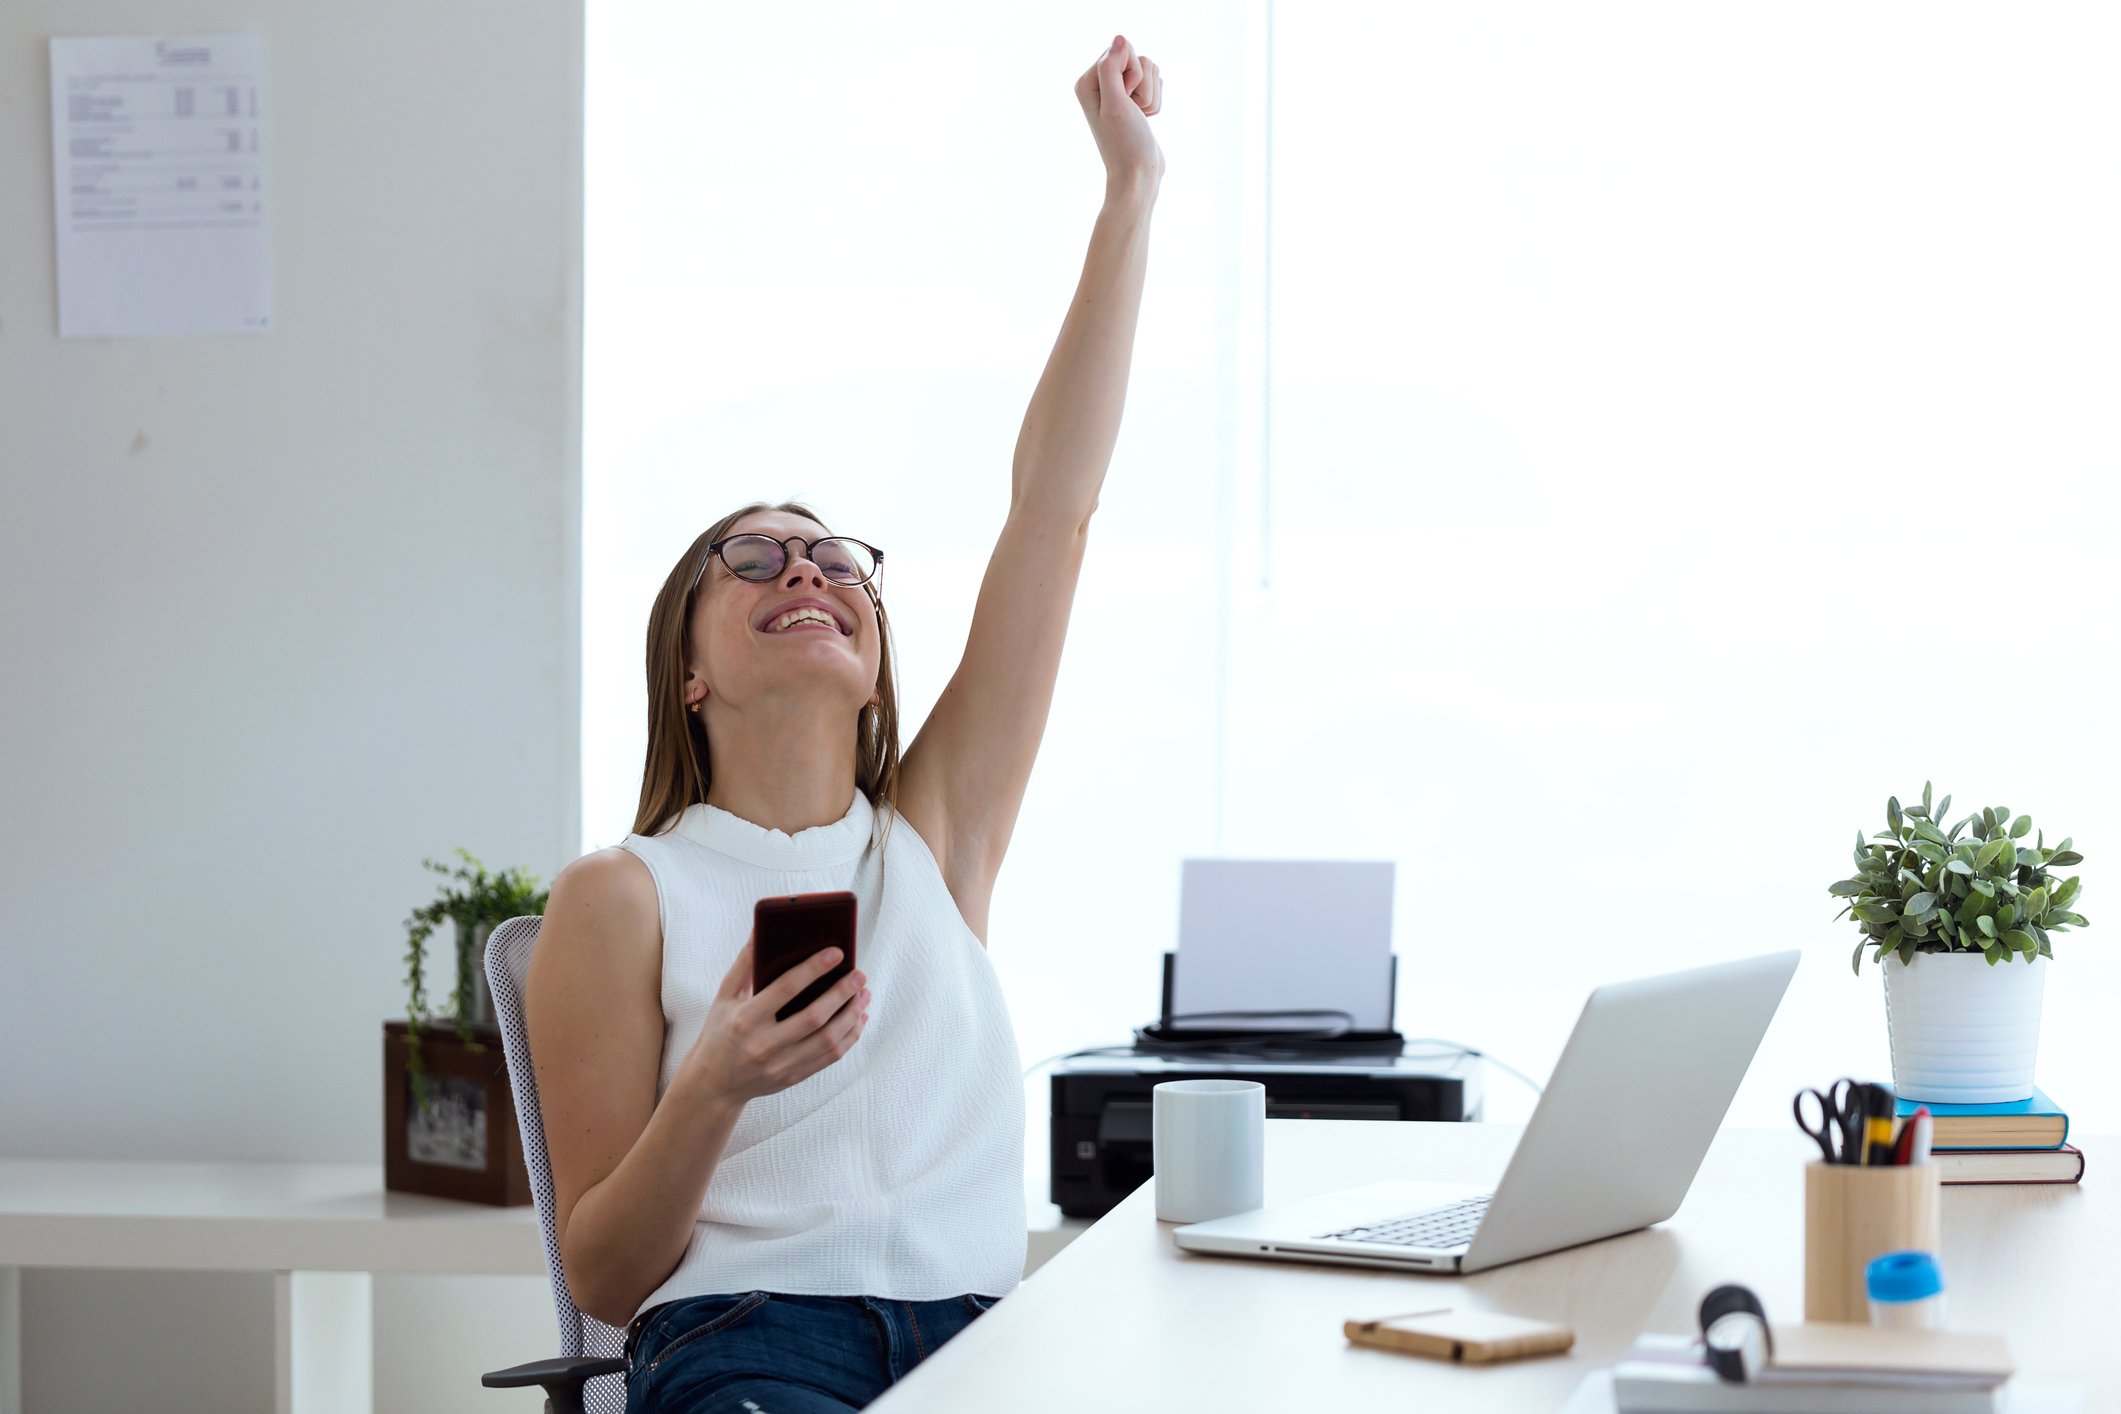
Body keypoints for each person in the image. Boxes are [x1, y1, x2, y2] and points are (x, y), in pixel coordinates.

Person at [527, 34, 1164, 1414]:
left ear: (873, 667)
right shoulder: (622, 896)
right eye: (753, 560)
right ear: (686, 670)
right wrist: (714, 1084)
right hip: (750, 1340)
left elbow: (1051, 512)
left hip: (984, 1342)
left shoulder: (936, 838)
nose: (805, 571)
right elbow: (608, 1278)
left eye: (832, 559)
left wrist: (1130, 194)